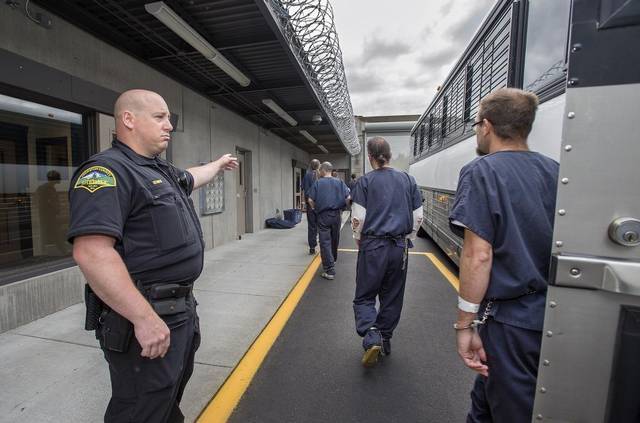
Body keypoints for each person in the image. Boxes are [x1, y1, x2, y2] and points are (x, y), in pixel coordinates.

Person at [68, 89, 238, 423]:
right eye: (160, 117)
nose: (169, 125)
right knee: (139, 409)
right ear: (128, 120)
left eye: (169, 118)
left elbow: (193, 177)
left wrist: (217, 165)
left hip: (179, 310)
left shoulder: (160, 171)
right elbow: (91, 253)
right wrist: (144, 319)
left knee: (164, 402)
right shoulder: (106, 172)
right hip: (145, 317)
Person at [448, 88, 559, 422]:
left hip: (510, 323)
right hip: (548, 314)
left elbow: (478, 255)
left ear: (487, 125)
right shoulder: (555, 171)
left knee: (511, 409)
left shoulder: (482, 171)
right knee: (483, 404)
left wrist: (464, 325)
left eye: (475, 125)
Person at [350, 137, 423, 367]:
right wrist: (407, 238)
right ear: (389, 156)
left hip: (373, 245)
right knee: (392, 296)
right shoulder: (408, 180)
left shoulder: (365, 182)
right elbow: (418, 216)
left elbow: (357, 219)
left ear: (370, 158)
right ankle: (385, 337)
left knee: (365, 295)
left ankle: (372, 335)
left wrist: (359, 240)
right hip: (399, 247)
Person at [307, 161, 350, 280]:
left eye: (321, 169)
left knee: (325, 241)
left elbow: (310, 199)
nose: (319, 171)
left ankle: (329, 269)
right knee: (335, 238)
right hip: (336, 215)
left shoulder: (318, 183)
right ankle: (333, 259)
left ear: (324, 170)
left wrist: (315, 208)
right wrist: (342, 207)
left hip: (323, 215)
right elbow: (348, 197)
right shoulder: (340, 182)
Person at [302, 159, 320, 255]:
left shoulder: (307, 175)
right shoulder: (320, 176)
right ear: (318, 166)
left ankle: (312, 247)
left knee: (311, 226)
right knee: (321, 225)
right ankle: (322, 244)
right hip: (320, 204)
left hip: (310, 204)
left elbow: (304, 189)